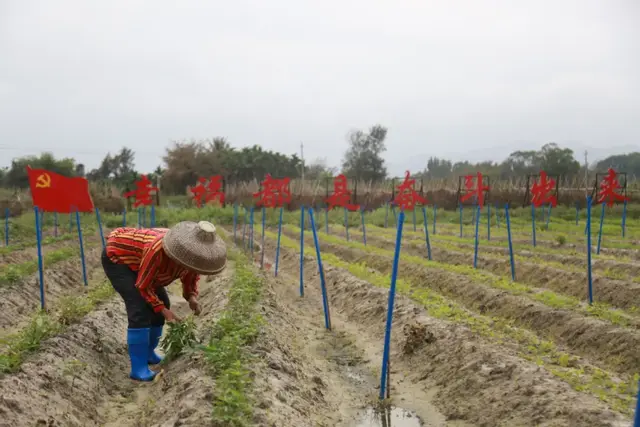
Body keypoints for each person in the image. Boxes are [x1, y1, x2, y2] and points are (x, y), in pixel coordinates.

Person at [102, 220, 227, 381]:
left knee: (163, 302)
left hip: (142, 264)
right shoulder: (158, 250)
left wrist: (191, 297)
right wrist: (165, 312)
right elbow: (143, 286)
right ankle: (138, 368)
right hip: (120, 259)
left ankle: (149, 353)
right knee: (139, 308)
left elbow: (190, 276)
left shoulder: (192, 256)